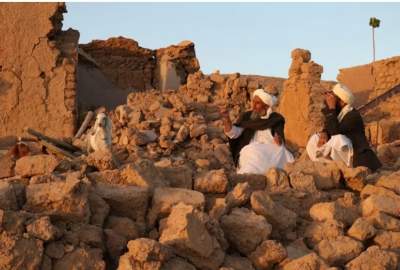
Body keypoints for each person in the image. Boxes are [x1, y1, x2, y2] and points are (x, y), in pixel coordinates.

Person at [306, 83, 381, 172]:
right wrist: (324, 132)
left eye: (334, 97)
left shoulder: (353, 115)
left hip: (357, 156)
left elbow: (335, 131)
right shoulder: (339, 112)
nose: (330, 99)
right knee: (315, 138)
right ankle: (328, 165)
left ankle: (343, 168)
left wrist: (332, 108)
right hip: (342, 152)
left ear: (342, 102)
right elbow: (329, 124)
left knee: (338, 139)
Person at [221, 89, 294, 174]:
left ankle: (273, 173)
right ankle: (250, 174)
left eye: (258, 103)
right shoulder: (247, 117)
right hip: (253, 149)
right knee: (252, 151)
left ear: (266, 106)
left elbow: (279, 138)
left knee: (283, 152)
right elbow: (233, 133)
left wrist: (279, 140)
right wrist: (226, 119)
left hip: (271, 149)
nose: (254, 106)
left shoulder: (276, 118)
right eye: (253, 102)